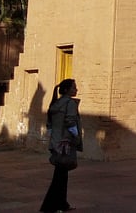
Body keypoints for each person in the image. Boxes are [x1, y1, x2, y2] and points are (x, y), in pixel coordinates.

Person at [41, 78, 82, 212]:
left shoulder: (56, 103)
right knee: (61, 176)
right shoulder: (69, 103)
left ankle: (61, 203)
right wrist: (75, 135)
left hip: (56, 141)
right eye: (74, 88)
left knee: (60, 174)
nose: (76, 90)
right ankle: (56, 205)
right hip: (65, 143)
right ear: (66, 90)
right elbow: (70, 121)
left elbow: (50, 124)